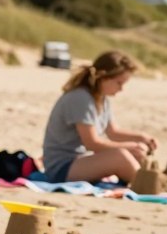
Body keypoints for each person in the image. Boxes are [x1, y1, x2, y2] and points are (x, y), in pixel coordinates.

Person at [42, 50, 158, 184]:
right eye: (119, 83)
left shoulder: (101, 98)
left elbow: (113, 132)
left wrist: (142, 138)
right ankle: (149, 185)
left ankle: (147, 181)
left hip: (80, 162)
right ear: (103, 77)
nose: (121, 89)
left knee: (134, 154)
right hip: (62, 168)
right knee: (120, 156)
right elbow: (92, 143)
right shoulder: (81, 98)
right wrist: (129, 147)